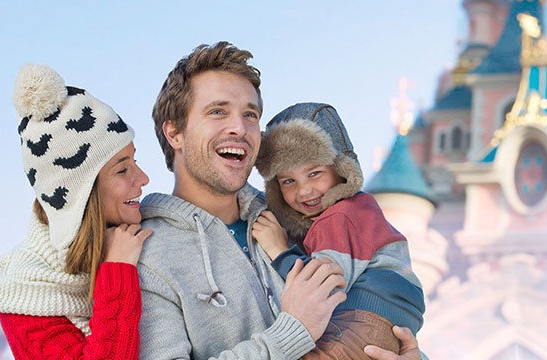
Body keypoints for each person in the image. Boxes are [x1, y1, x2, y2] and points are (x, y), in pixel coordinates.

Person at [138, 41, 422, 360]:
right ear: (174, 133)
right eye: (218, 111)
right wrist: (293, 330)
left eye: (250, 114)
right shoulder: (147, 254)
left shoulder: (296, 217)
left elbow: (368, 317)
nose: (240, 127)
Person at [0, 64, 151, 359]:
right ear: (80, 194)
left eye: (134, 161)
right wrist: (118, 273)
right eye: (122, 169)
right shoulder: (24, 295)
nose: (143, 179)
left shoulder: (146, 234)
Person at [252, 102, 426, 359]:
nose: (304, 191)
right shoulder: (356, 212)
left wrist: (280, 251)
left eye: (315, 173)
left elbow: (324, 288)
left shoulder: (339, 216)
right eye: (288, 181)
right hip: (388, 324)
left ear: (341, 170)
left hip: (365, 318)